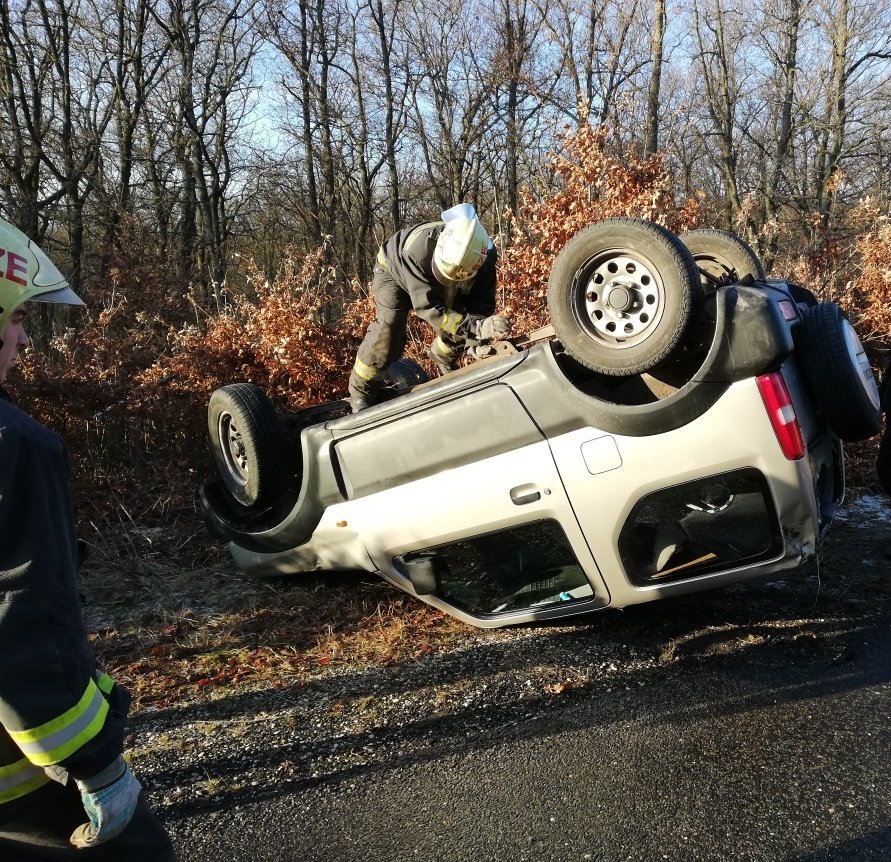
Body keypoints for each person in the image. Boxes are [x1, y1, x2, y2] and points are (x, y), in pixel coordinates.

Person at [0, 217, 176, 860]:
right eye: (15, 317)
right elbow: (22, 618)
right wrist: (97, 766)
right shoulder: (16, 445)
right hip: (26, 781)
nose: (22, 337)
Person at [348, 203, 511, 412]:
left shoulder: (484, 254)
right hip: (393, 271)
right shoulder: (417, 251)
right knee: (390, 329)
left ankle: (442, 355)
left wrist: (476, 341)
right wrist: (478, 328)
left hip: (432, 273)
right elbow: (431, 310)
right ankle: (361, 392)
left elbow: (480, 303)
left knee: (462, 317)